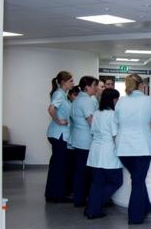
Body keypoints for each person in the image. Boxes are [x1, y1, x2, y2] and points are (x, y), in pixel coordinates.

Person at [115, 74, 151, 224]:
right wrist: (147, 135)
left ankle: (146, 207)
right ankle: (135, 217)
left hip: (123, 148)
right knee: (138, 181)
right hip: (142, 147)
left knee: (137, 179)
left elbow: (116, 123)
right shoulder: (149, 100)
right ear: (141, 85)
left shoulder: (121, 101)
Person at [85, 88, 122, 220]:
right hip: (108, 151)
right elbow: (115, 135)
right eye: (117, 99)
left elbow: (92, 131)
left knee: (97, 183)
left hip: (95, 150)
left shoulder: (96, 113)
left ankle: (91, 208)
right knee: (117, 181)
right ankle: (94, 206)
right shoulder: (112, 115)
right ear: (113, 100)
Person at [69, 76, 98, 208]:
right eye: (94, 85)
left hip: (78, 139)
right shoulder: (87, 101)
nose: (96, 88)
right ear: (87, 87)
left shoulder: (77, 99)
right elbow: (91, 121)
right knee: (85, 172)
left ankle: (79, 198)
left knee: (80, 171)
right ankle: (81, 199)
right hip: (86, 141)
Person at [45, 71, 74, 202]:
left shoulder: (63, 95)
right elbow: (51, 109)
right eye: (70, 81)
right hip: (59, 134)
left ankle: (54, 194)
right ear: (63, 82)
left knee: (58, 164)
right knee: (59, 165)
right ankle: (57, 195)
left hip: (60, 135)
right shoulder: (59, 94)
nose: (73, 83)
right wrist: (58, 121)